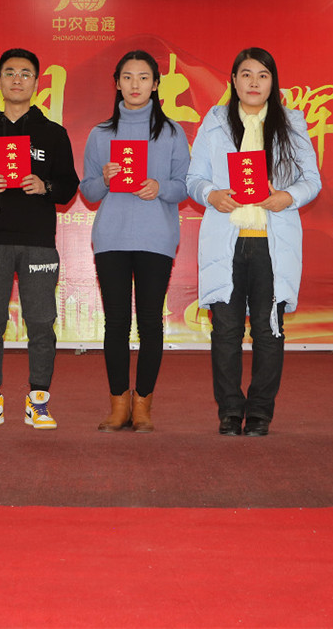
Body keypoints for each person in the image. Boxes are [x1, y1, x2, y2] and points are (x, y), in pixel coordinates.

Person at [186, 47, 321, 437]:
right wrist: (211, 194)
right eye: (246, 74)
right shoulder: (215, 122)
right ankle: (230, 411)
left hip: (271, 244)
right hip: (226, 242)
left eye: (263, 75)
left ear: (273, 82)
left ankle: (260, 412)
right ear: (233, 80)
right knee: (225, 330)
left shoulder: (291, 123)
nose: (254, 83)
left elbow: (311, 180)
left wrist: (288, 197)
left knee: (268, 329)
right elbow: (194, 179)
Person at [0, 48, 79, 430]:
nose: (17, 79)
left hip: (38, 241)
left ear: (36, 83)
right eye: (9, 72)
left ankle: (38, 401)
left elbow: (69, 186)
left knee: (41, 322)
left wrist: (46, 186)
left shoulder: (53, 133)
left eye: (25, 73)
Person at [79, 50, 190, 433]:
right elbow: (88, 190)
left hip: (156, 238)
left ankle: (142, 406)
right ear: (117, 83)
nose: (135, 85)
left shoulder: (172, 132)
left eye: (143, 78)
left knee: (150, 324)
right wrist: (105, 179)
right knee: (115, 324)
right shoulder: (100, 134)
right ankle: (118, 406)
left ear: (156, 84)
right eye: (127, 77)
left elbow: (184, 186)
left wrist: (161, 188)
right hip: (111, 237)